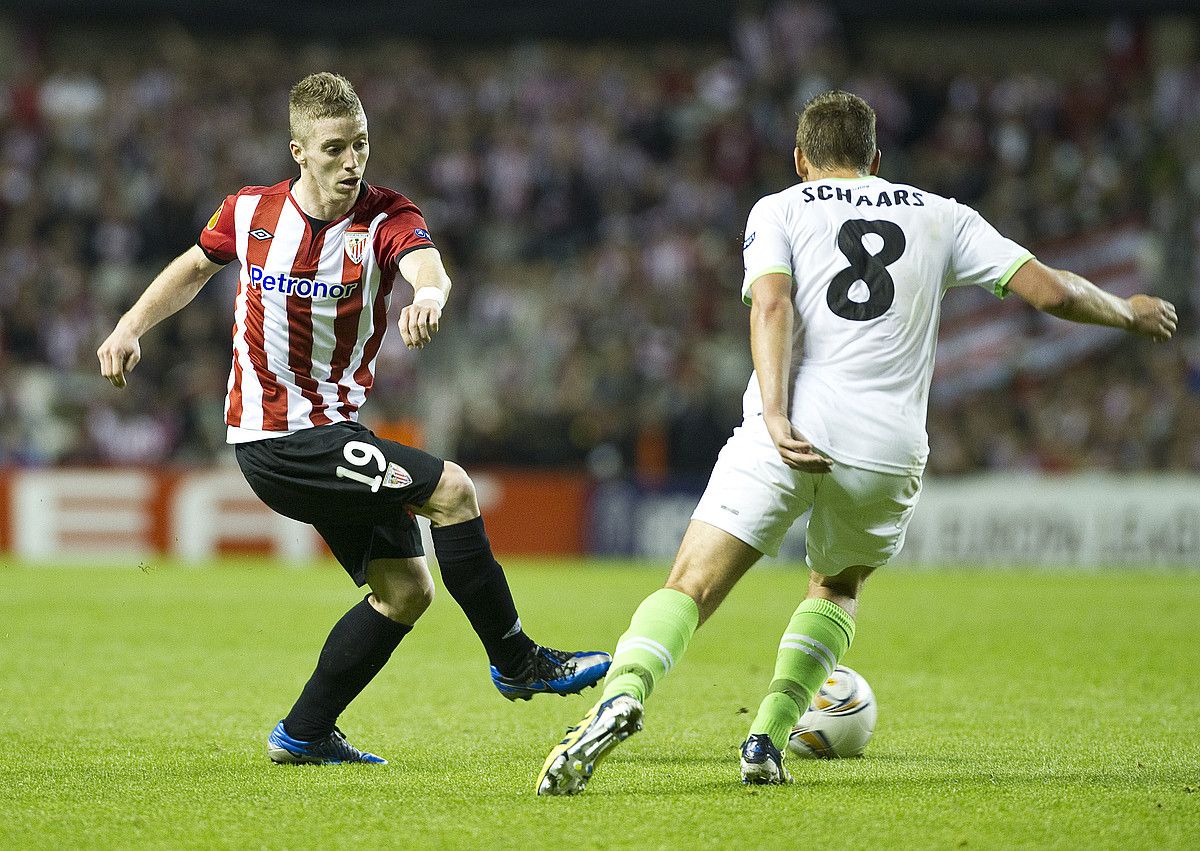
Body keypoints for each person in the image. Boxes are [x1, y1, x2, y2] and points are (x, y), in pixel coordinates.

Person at [535, 90, 1177, 794]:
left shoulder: (779, 206)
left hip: (790, 429)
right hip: (885, 445)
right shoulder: (942, 214)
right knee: (836, 584)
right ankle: (768, 735)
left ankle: (623, 693)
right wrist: (1129, 311)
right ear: (877, 159)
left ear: (801, 159)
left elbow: (773, 303)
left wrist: (777, 416)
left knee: (691, 584)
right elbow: (1050, 293)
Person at [97, 72, 610, 766]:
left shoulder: (386, 216)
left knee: (405, 591)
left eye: (361, 145)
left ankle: (303, 732)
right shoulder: (249, 212)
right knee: (454, 490)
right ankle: (517, 661)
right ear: (299, 152)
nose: (351, 162)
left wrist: (428, 295)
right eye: (334, 148)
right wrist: (130, 324)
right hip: (277, 438)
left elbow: (428, 265)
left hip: (333, 432)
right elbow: (194, 266)